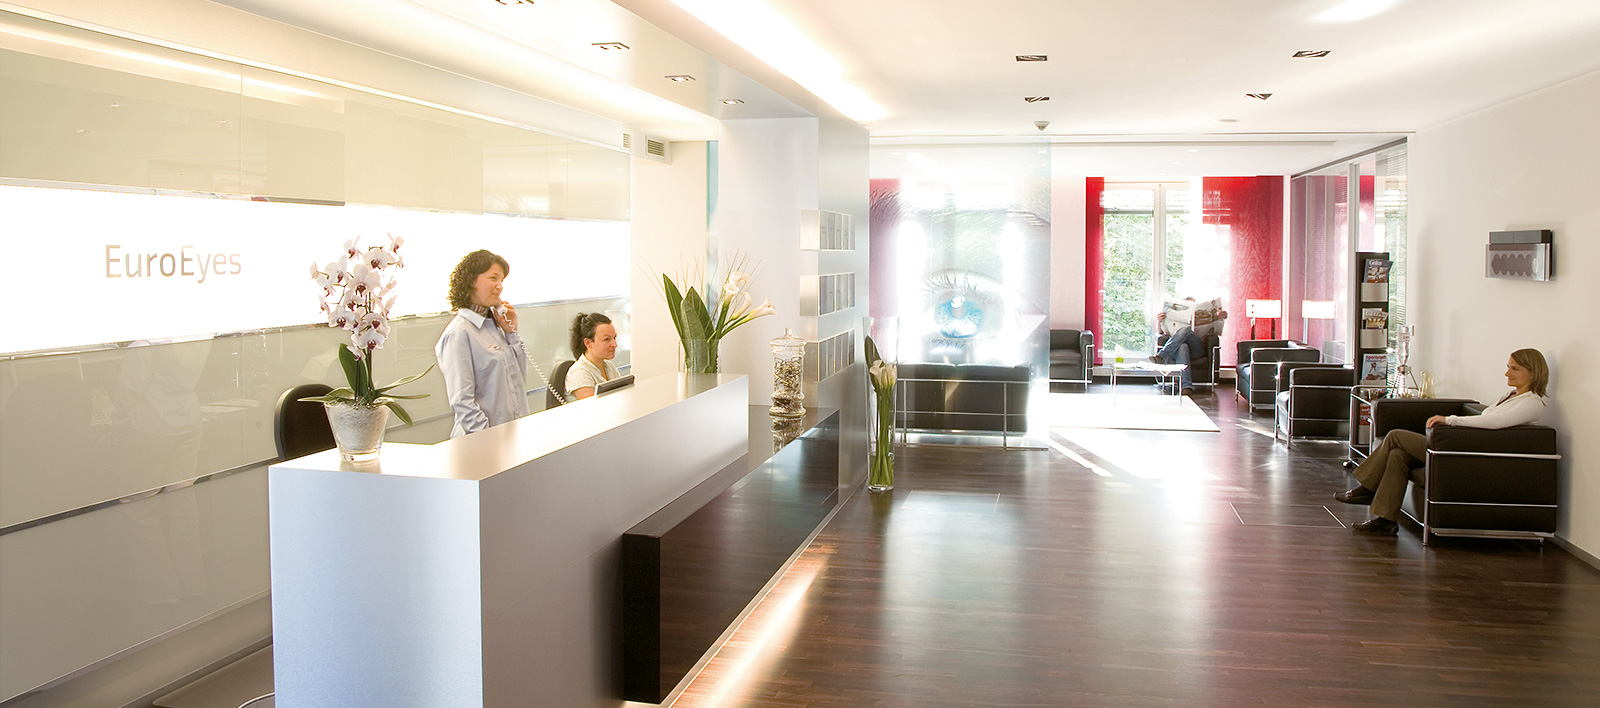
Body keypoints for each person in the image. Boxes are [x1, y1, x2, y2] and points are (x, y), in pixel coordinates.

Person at [1335, 348, 1550, 535]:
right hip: (1458, 445)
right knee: (1398, 455)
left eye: (1515, 369)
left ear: (1533, 373)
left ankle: (1367, 488)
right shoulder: (1510, 396)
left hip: (1463, 453)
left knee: (1395, 436)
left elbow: (1495, 422)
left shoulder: (1532, 403)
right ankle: (1385, 521)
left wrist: (1450, 420)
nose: (1507, 373)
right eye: (1508, 367)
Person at [435, 250, 528, 438]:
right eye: (493, 278)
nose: (499, 286)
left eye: (502, 280)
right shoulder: (458, 333)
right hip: (483, 441)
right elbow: (462, 401)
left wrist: (511, 333)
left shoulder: (495, 327)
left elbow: (519, 378)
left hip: (512, 436)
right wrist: (487, 439)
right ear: (470, 280)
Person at [1149, 302, 1227, 395]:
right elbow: (1161, 333)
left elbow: (1215, 331)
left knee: (1186, 330)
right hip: (1178, 350)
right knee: (1183, 346)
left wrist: (1219, 317)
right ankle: (1186, 387)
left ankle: (1162, 356)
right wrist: (1159, 322)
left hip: (1197, 349)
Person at [565, 312, 619, 400]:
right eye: (607, 339)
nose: (614, 344)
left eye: (614, 338)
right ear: (588, 343)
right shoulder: (579, 372)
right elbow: (594, 406)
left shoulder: (609, 366)